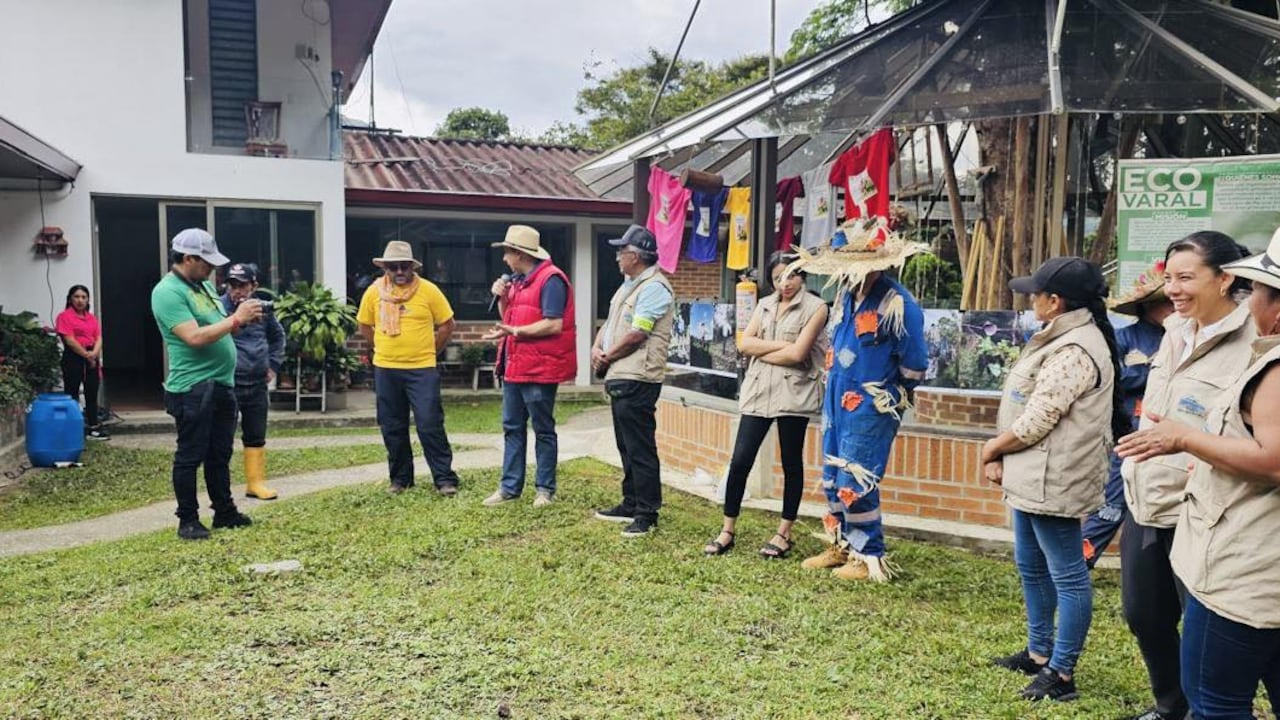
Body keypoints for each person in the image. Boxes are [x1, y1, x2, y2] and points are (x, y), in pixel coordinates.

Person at [1117, 228, 1280, 720]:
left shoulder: (1261, 346)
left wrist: (1186, 441)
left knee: (1218, 658)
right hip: (1148, 495)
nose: (1174, 289)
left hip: (1217, 520)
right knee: (1145, 615)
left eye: (1187, 277)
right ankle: (1171, 706)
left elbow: (1264, 452)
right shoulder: (1173, 331)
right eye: (1169, 278)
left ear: (1226, 278)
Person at [984, 256, 1126, 702]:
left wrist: (992, 448)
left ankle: (1062, 674)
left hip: (1054, 477)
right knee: (1030, 565)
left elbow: (1039, 418)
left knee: (1067, 575)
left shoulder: (1076, 348)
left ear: (1054, 301)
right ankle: (1039, 652)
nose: (1029, 300)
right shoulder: (1061, 337)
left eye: (1035, 293)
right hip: (1033, 473)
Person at [791, 218, 928, 581]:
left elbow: (915, 363)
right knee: (834, 474)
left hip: (871, 404)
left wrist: (885, 395)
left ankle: (868, 556)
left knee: (858, 476)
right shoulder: (846, 298)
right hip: (837, 400)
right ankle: (842, 543)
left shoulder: (897, 303)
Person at [703, 251, 828, 559]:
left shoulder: (817, 307)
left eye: (791, 276)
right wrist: (783, 347)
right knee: (741, 459)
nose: (785, 283)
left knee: (790, 462)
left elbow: (798, 355)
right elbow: (744, 343)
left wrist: (766, 350)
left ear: (802, 275)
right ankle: (727, 529)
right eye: (777, 278)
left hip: (793, 394)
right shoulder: (764, 304)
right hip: (758, 391)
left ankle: (784, 533)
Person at [151, 228, 263, 540]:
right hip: (193, 387)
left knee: (220, 453)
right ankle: (187, 520)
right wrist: (236, 319)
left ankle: (224, 512)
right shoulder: (168, 291)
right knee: (190, 455)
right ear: (188, 258)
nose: (212, 269)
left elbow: (221, 330)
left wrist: (242, 322)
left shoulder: (203, 287)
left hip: (222, 384)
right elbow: (195, 337)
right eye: (206, 263)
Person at [1080, 264, 1174, 568]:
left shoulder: (1184, 339)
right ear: (1148, 305)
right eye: (1166, 302)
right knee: (1112, 503)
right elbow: (1111, 381)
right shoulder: (1121, 338)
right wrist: (1151, 371)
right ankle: (1081, 560)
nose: (1173, 308)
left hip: (1173, 441)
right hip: (1130, 436)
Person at [481, 225, 576, 508]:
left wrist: (515, 332)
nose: (504, 259)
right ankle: (509, 488)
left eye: (507, 252)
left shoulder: (551, 280)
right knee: (512, 427)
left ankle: (544, 489)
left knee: (543, 429)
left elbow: (553, 323)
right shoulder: (518, 281)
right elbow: (508, 318)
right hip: (515, 365)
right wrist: (502, 297)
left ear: (519, 253)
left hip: (539, 369)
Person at [356, 240, 461, 496]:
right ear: (386, 269)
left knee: (429, 423)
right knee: (392, 425)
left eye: (404, 267)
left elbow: (447, 324)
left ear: (413, 268)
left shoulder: (429, 291)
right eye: (394, 267)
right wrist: (381, 347)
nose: (399, 272)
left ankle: (445, 479)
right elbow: (365, 326)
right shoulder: (373, 292)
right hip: (386, 369)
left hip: (422, 369)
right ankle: (401, 479)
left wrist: (430, 351)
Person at [590, 224, 675, 538]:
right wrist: (597, 347)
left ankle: (646, 513)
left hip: (638, 376)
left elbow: (638, 333)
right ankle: (630, 502)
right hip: (621, 374)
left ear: (636, 256)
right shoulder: (628, 285)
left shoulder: (653, 287)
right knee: (625, 445)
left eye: (621, 251)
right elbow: (612, 323)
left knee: (640, 447)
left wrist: (607, 356)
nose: (616, 257)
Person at [221, 262, 286, 501]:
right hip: (229, 382)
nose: (237, 290)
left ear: (254, 286)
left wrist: (273, 365)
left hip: (257, 382)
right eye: (233, 285)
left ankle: (255, 483)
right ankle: (221, 490)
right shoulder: (219, 308)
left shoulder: (263, 310)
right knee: (223, 437)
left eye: (243, 285)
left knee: (256, 434)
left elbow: (278, 337)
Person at [55, 284, 109, 440]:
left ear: (88, 300)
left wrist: (93, 354)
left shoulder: (91, 318)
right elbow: (69, 340)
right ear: (70, 299)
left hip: (91, 356)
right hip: (74, 357)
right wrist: (87, 355)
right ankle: (71, 428)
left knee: (91, 393)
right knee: (72, 394)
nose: (80, 300)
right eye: (77, 297)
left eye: (84, 297)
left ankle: (93, 427)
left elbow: (98, 337)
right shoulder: (64, 316)